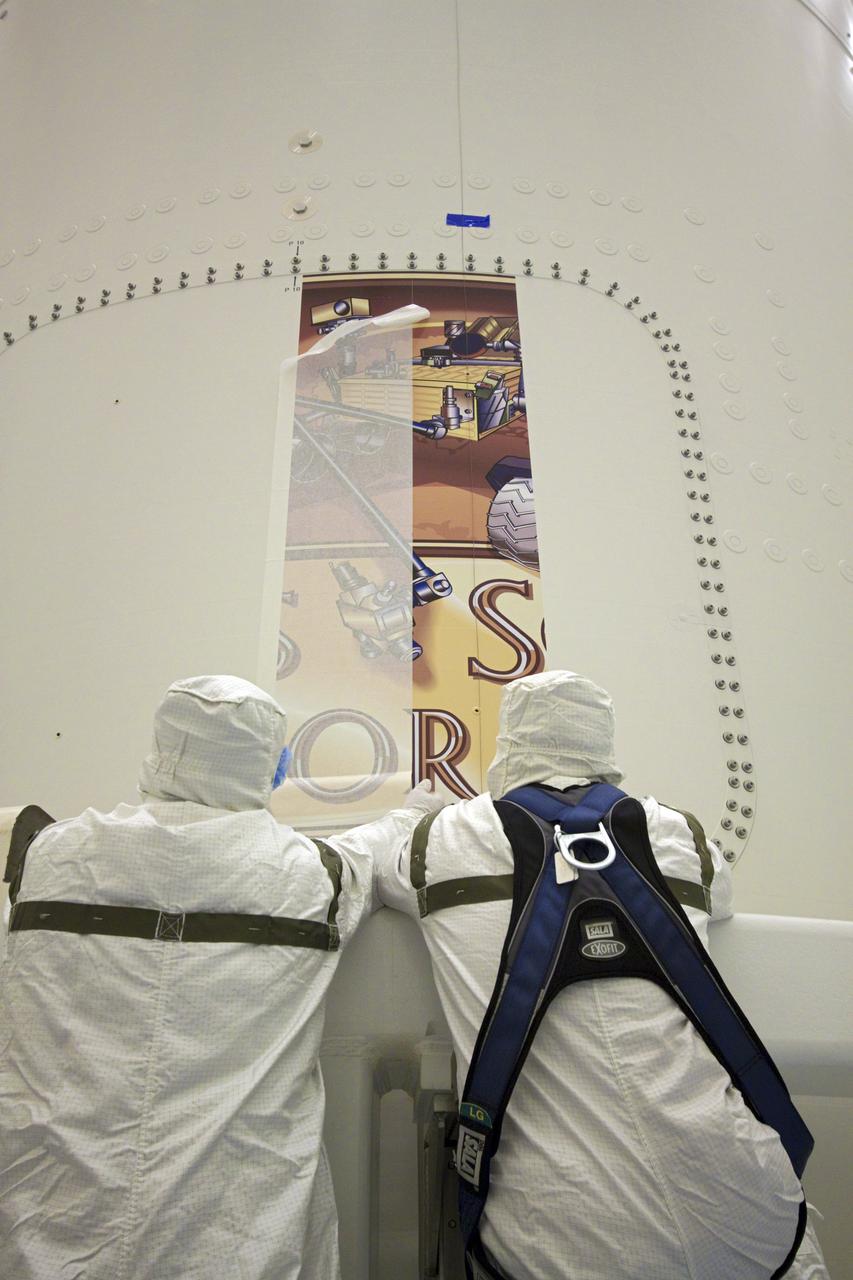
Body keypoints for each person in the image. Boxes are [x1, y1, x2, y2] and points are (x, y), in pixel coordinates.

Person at [376, 670, 829, 1280]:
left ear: (510, 740)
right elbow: (719, 896)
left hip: (564, 1240)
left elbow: (381, 864)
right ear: (603, 744)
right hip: (751, 1212)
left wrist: (415, 816)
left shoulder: (440, 840)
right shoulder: (683, 835)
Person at [0, 674, 434, 1280]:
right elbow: (369, 850)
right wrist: (413, 813)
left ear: (160, 747)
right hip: (233, 1240)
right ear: (272, 766)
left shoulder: (50, 856)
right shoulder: (307, 878)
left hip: (48, 1228)